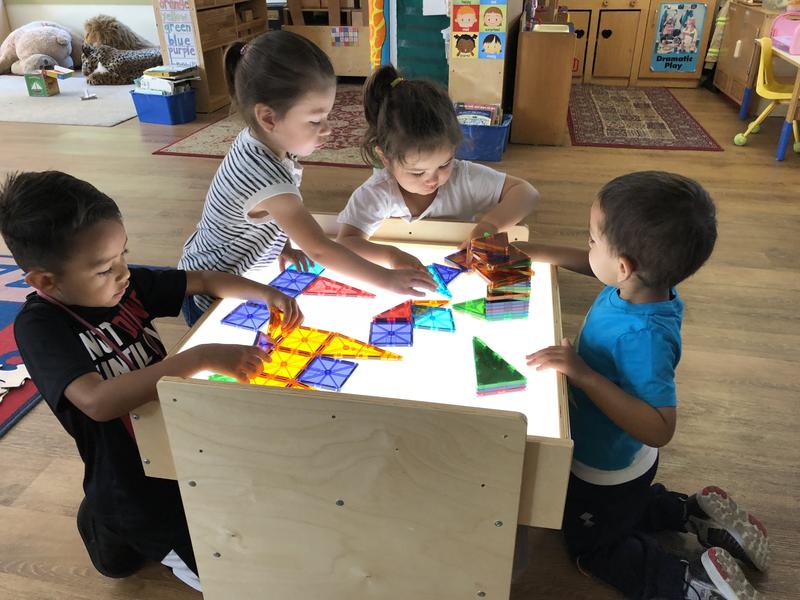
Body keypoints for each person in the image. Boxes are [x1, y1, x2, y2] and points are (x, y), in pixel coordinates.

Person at [0, 170, 304, 591]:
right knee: (226, 575)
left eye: (124, 254)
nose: (123, 274)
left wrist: (266, 293)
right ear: (45, 282)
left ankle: (108, 518)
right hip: (131, 484)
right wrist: (200, 356)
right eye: (106, 269)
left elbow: (205, 278)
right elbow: (96, 400)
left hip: (173, 445)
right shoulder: (39, 327)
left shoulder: (125, 285)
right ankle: (105, 519)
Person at [521, 172, 769, 600]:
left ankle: (690, 584)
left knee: (594, 545)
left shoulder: (643, 338)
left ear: (623, 266)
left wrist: (583, 373)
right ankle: (693, 515)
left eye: (593, 238)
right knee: (624, 507)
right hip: (625, 466)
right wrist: (524, 251)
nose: (587, 247)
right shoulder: (644, 287)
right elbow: (590, 263)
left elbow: (660, 427)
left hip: (604, 466)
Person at [179, 31, 434, 326]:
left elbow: (255, 216)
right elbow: (319, 248)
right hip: (209, 295)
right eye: (315, 121)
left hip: (226, 275)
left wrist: (280, 244)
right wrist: (386, 279)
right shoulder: (265, 175)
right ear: (269, 118)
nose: (327, 129)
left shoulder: (265, 141)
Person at [336, 65, 538, 272]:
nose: (433, 179)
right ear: (385, 158)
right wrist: (391, 256)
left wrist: (489, 226)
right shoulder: (377, 193)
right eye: (417, 172)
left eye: (444, 164)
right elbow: (346, 242)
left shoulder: (463, 177)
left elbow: (526, 193)